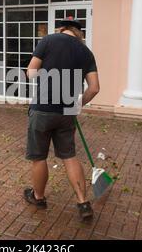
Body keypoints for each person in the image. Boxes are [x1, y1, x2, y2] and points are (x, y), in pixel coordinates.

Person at [24, 16, 100, 220]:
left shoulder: (48, 40)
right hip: (67, 112)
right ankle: (83, 202)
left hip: (42, 110)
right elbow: (94, 88)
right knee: (69, 156)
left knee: (39, 157)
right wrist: (77, 104)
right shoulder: (86, 52)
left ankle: (38, 197)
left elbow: (30, 72)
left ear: (62, 28)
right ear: (78, 33)